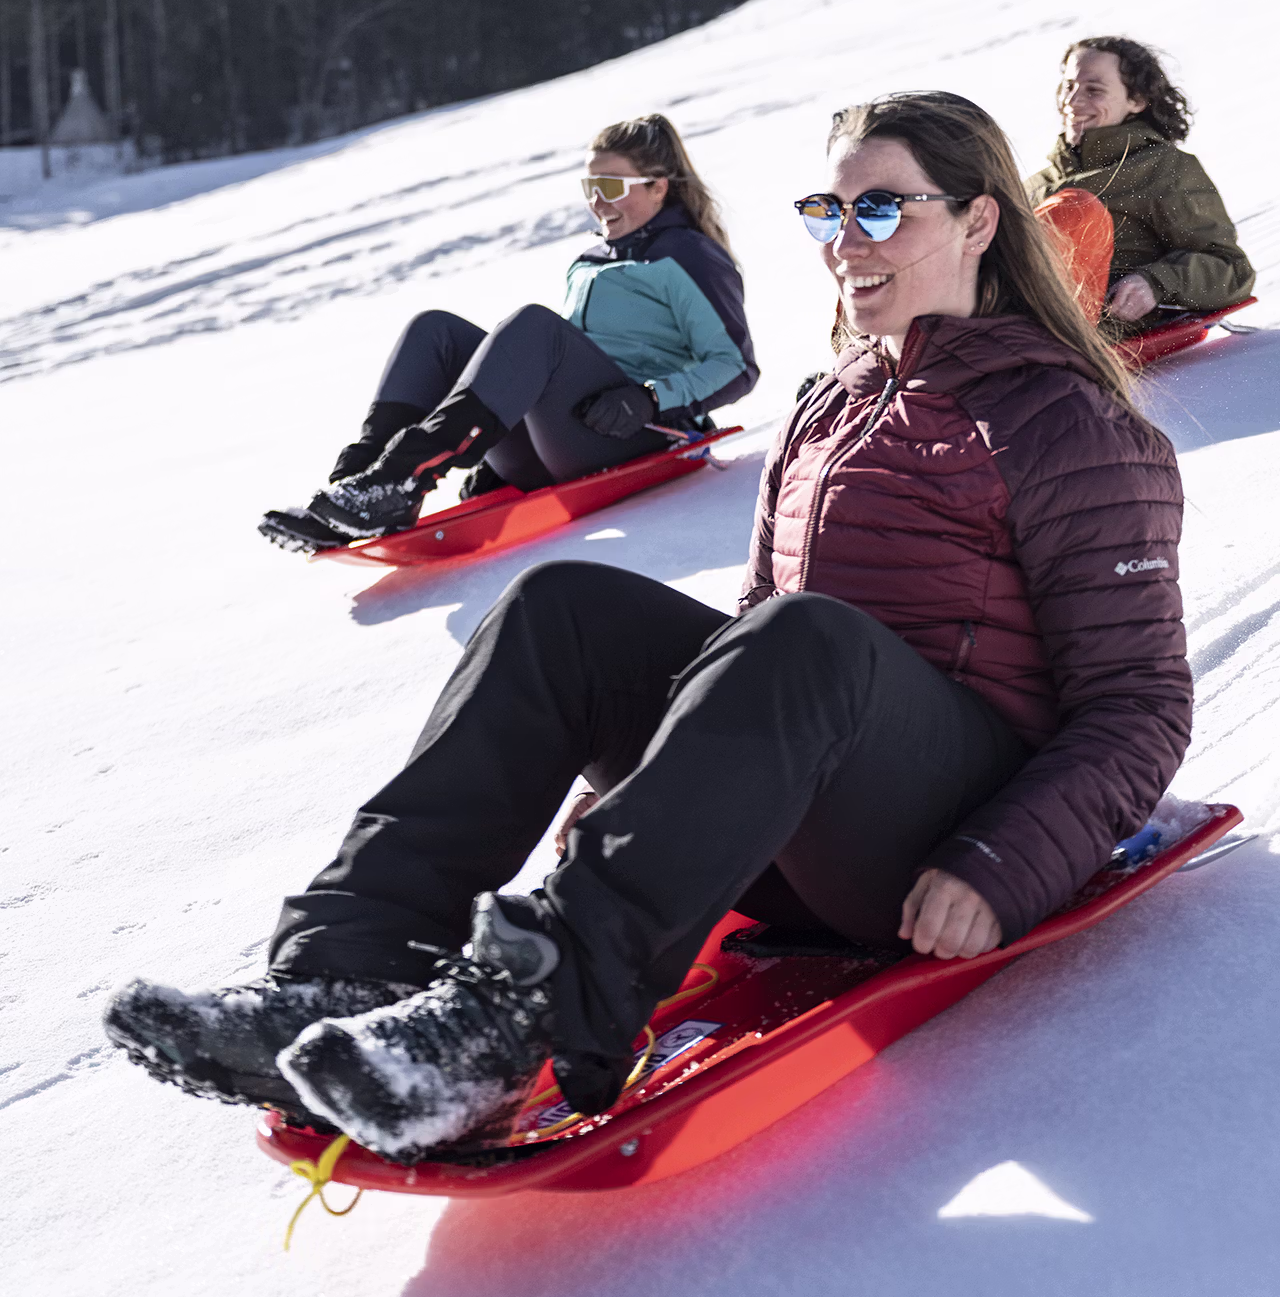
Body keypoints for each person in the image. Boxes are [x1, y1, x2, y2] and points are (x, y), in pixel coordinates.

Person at [106, 92, 1192, 1164]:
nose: (842, 244)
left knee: (810, 636)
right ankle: (344, 969)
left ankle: (516, 1021)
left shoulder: (1064, 421)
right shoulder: (834, 402)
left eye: (880, 211)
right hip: (788, 821)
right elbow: (752, 640)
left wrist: (997, 864)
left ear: (977, 220)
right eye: (829, 211)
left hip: (922, 856)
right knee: (564, 608)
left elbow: (1138, 707)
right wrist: (647, 795)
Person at [260, 114, 758, 550]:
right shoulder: (590, 262)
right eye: (590, 189)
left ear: (657, 187)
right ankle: (357, 488)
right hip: (569, 438)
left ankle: (405, 477)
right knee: (435, 332)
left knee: (535, 327)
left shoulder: (687, 256)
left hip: (636, 435)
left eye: (611, 187)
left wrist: (649, 400)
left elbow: (735, 367)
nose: (597, 203)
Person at [1028, 37, 1255, 327]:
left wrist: (1154, 283)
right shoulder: (1037, 184)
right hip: (1001, 316)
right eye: (1069, 86)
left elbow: (1232, 270)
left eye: (1094, 90)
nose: (1071, 101)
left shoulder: (1162, 169)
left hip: (1082, 326)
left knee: (1075, 209)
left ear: (1136, 100)